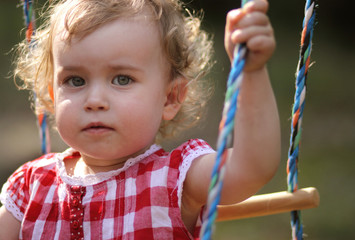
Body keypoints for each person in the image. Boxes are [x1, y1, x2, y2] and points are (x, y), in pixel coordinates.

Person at [0, 0, 280, 239]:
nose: (94, 100)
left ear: (169, 98)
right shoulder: (32, 187)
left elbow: (251, 167)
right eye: (75, 80)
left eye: (122, 79)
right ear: (52, 94)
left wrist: (252, 73)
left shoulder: (174, 180)